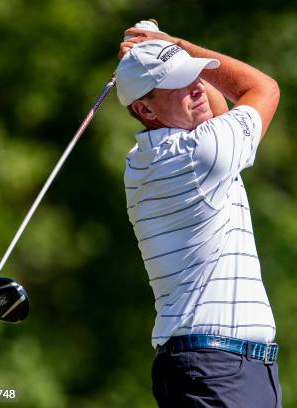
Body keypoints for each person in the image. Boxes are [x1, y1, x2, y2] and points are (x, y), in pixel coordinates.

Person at [116, 24, 281, 408]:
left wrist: (168, 56)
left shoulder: (145, 160)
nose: (195, 86)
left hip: (221, 369)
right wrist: (177, 45)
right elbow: (263, 89)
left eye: (194, 74)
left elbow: (214, 110)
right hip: (216, 369)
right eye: (179, 82)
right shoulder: (200, 155)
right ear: (144, 109)